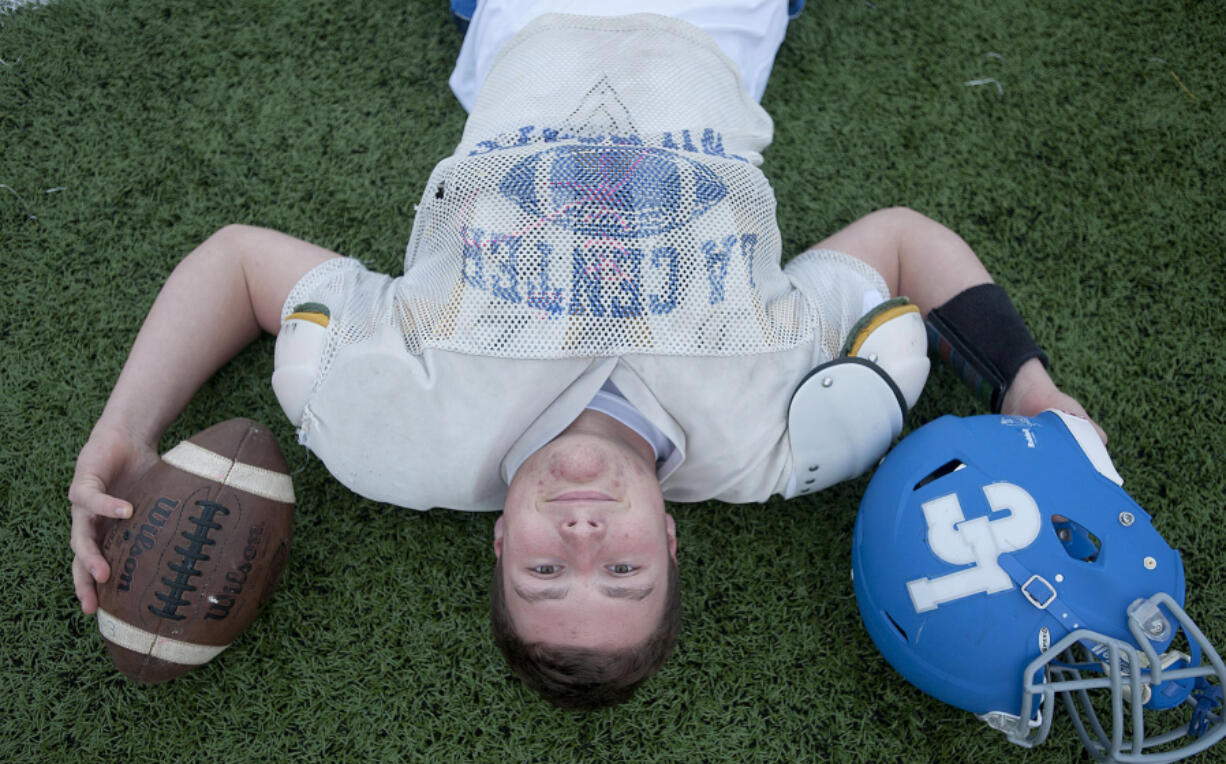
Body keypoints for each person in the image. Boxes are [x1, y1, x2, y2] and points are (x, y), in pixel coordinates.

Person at [69, 1, 1100, 709]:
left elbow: (241, 265)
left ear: (495, 545)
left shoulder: (400, 434)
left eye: (544, 569)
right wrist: (1030, 388)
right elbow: (905, 243)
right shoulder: (776, 435)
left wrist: (125, 430)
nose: (582, 529)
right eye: (620, 568)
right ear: (669, 541)